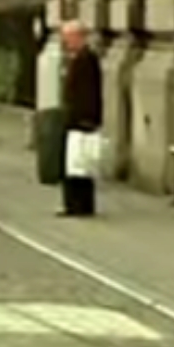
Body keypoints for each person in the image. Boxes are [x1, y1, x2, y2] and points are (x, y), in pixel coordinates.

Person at [59, 20, 104, 217]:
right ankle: (78, 205)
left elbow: (88, 92)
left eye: (68, 37)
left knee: (79, 165)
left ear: (78, 37)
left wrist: (85, 117)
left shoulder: (86, 59)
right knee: (78, 165)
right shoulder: (79, 57)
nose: (65, 41)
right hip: (79, 118)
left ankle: (79, 206)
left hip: (81, 120)